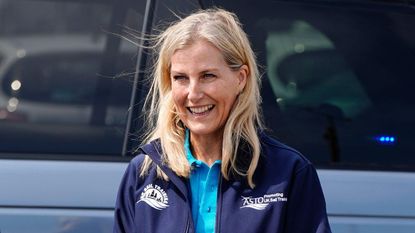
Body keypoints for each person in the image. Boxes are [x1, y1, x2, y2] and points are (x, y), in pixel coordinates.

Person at [113, 8, 332, 233]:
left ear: (241, 78)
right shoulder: (143, 173)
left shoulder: (290, 172)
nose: (193, 93)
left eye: (208, 76)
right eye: (180, 78)